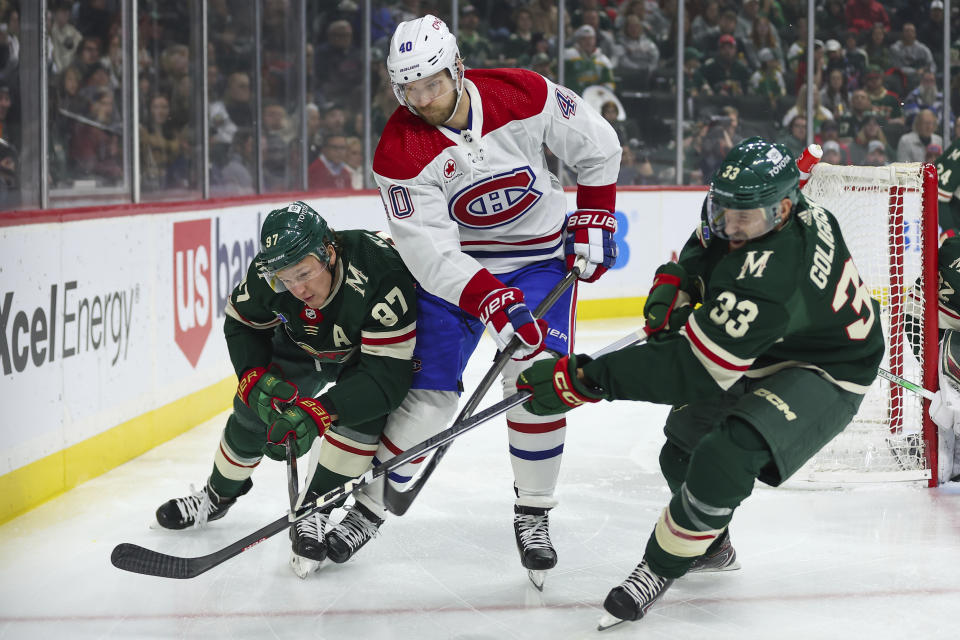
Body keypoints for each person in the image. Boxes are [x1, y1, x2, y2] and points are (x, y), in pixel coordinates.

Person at [516, 137, 883, 628]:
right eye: (725, 209)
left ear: (784, 210)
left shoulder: (775, 273)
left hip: (827, 369)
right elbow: (710, 241)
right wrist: (683, 279)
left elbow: (688, 371)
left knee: (726, 452)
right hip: (772, 345)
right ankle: (711, 543)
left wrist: (585, 379)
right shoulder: (762, 212)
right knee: (680, 452)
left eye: (743, 218)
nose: (731, 226)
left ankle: (658, 566)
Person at [353, 14, 620, 585]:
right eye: (410, 89)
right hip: (458, 281)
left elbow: (599, 147)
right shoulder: (399, 151)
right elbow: (428, 251)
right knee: (427, 403)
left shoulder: (522, 92)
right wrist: (489, 299)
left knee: (536, 381)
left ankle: (534, 513)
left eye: (433, 83)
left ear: (456, 68)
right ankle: (368, 505)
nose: (423, 99)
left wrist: (596, 210)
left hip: (539, 263)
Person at [155, 202, 419, 577]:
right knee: (254, 409)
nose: (296, 288)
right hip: (301, 346)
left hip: (365, 357)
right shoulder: (269, 278)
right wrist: (254, 377)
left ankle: (314, 508)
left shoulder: (380, 270)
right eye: (285, 278)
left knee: (363, 417)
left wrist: (321, 411)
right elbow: (242, 323)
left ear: (329, 252)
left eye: (304, 273)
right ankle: (216, 496)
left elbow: (385, 380)